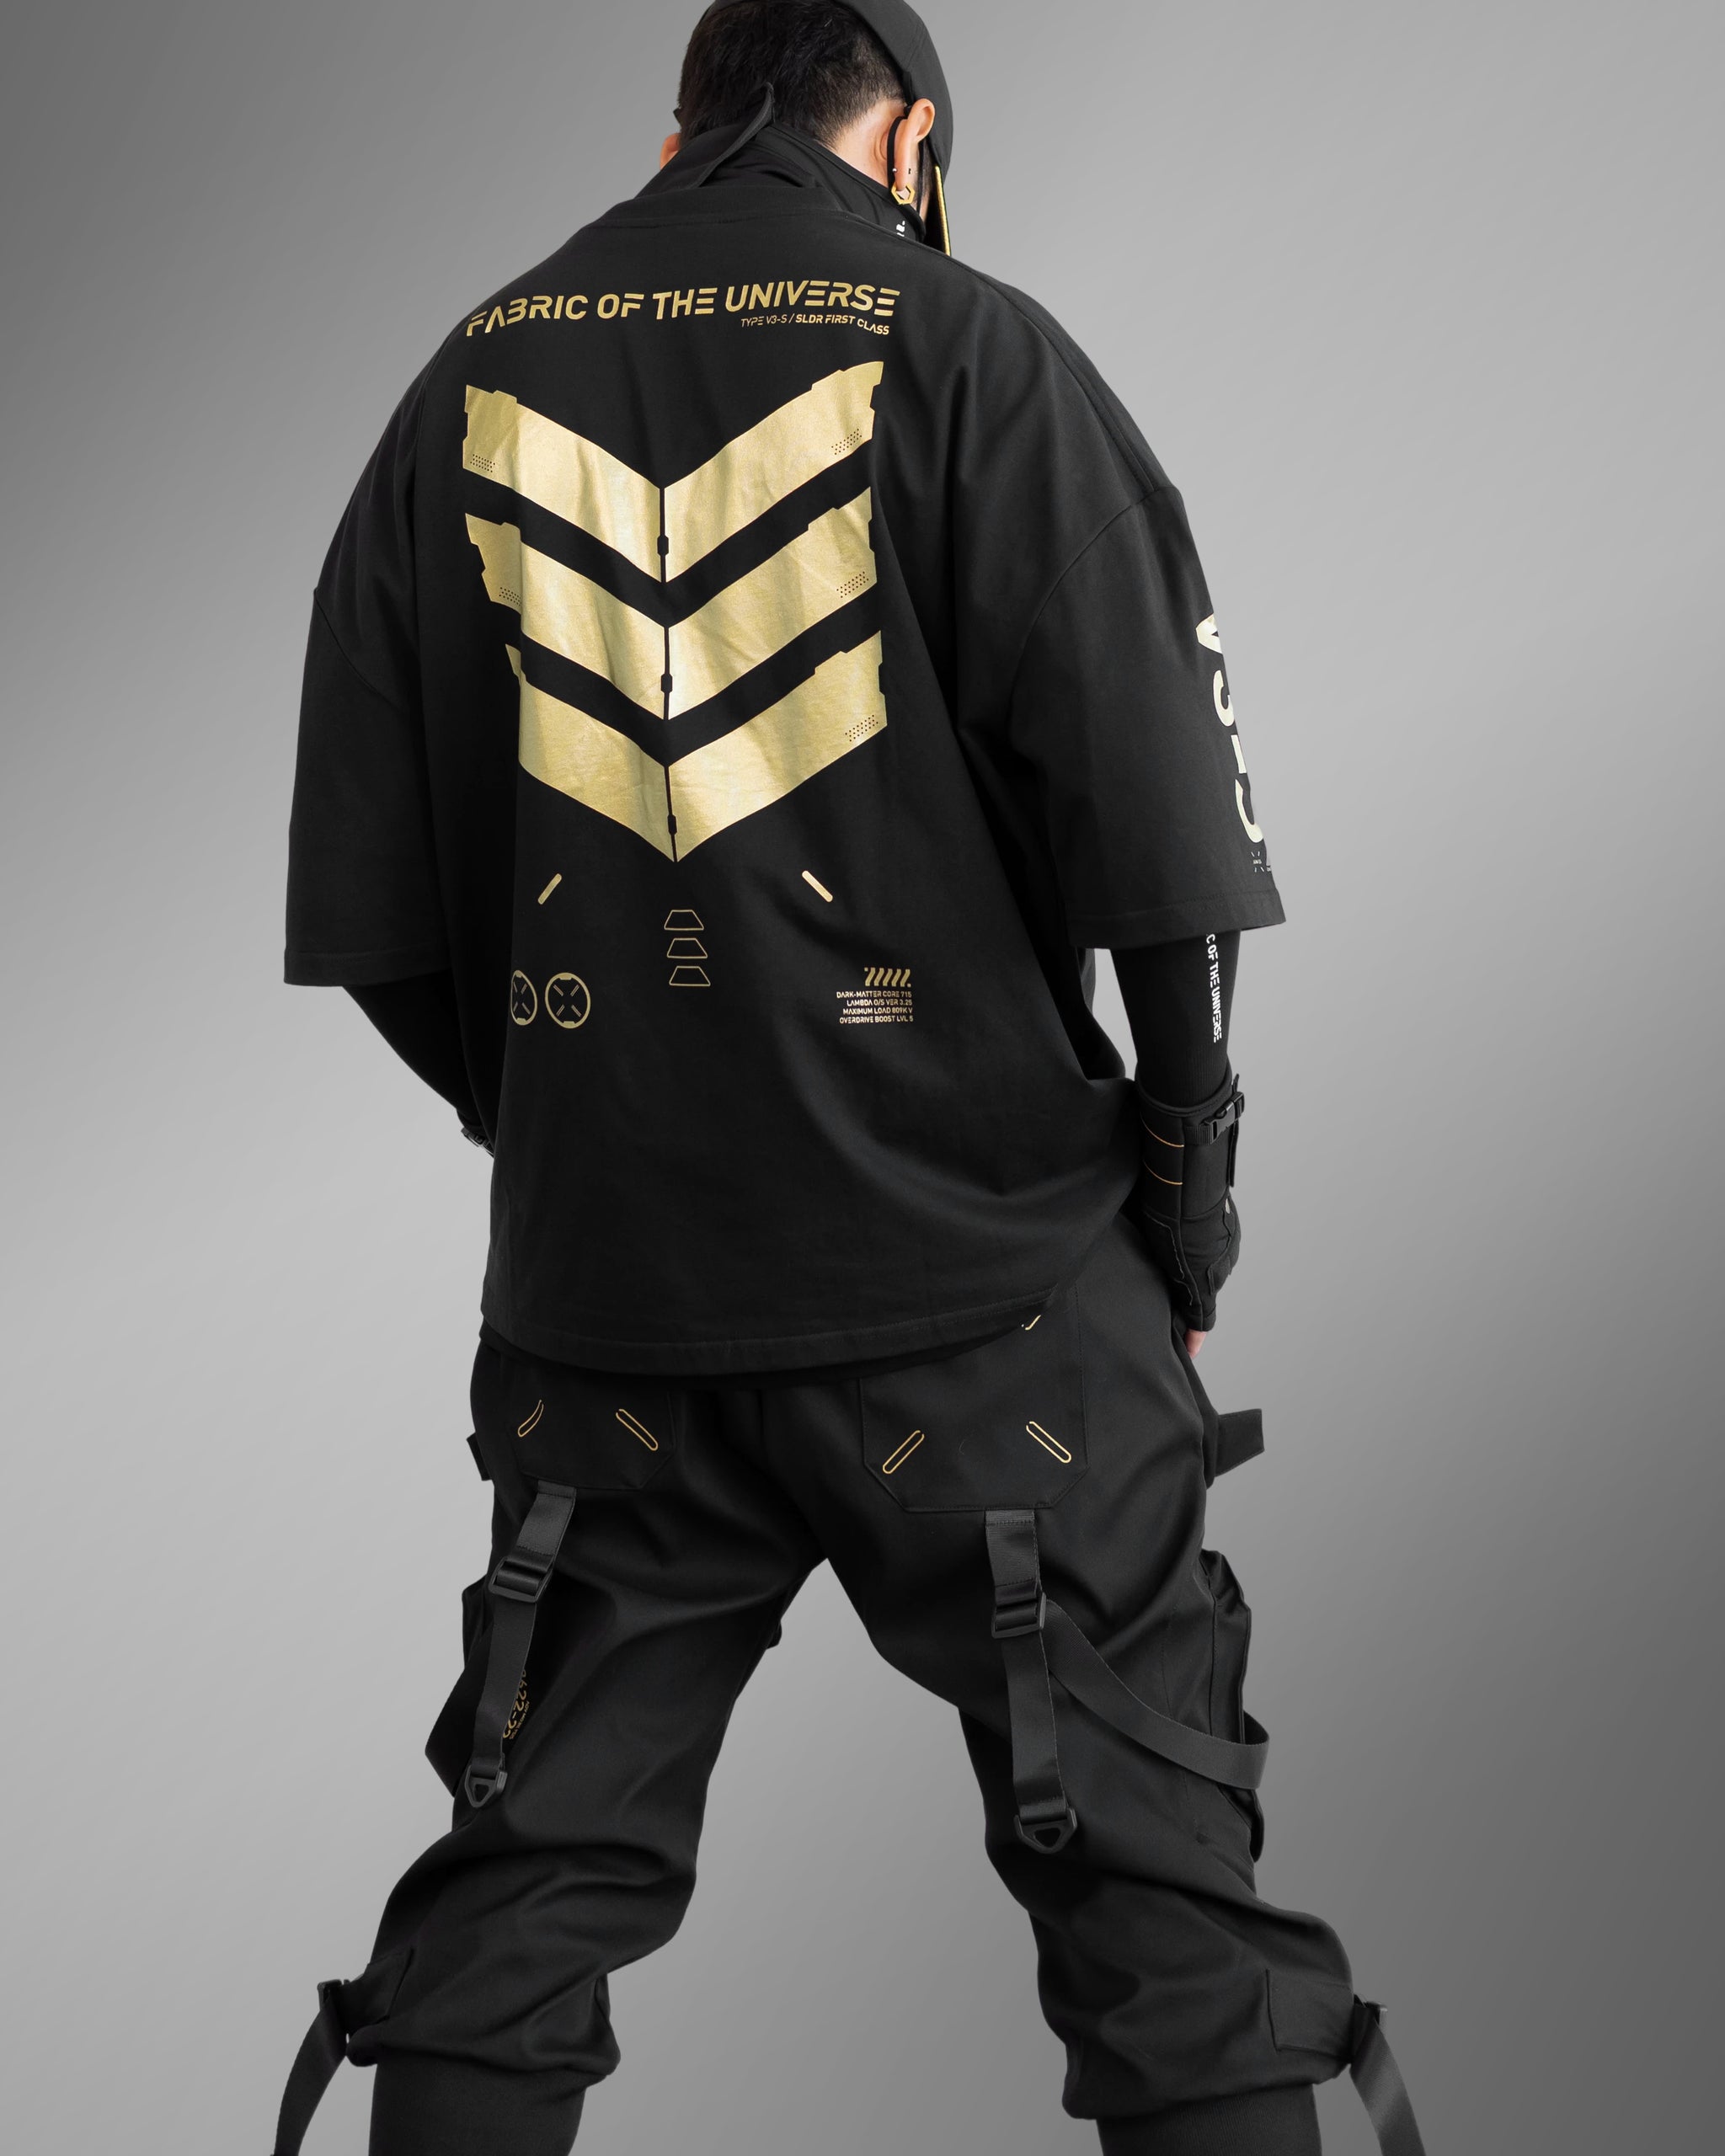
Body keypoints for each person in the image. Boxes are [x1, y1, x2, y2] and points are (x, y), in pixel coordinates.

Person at [271, 5, 1426, 2153]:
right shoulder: (975, 351)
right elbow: (1166, 858)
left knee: (518, 1894)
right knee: (1168, 1923)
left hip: (609, 1315)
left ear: (680, 130)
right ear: (903, 143)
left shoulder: (465, 381)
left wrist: (577, 1136)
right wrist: (1186, 1210)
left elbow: (377, 922)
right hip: (996, 1306)